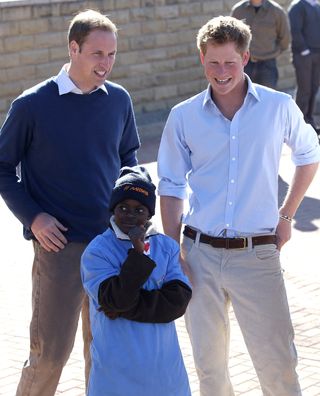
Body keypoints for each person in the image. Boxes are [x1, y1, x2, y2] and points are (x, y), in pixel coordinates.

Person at [157, 15, 320, 396]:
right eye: (213, 62)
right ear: (202, 59)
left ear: (246, 58)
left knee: (278, 366)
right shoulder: (183, 116)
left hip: (258, 254)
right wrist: (171, 245)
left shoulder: (277, 107)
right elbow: (169, 183)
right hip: (198, 256)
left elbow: (309, 155)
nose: (222, 71)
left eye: (230, 62)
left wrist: (286, 214)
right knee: (210, 371)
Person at [0, 9, 140, 396]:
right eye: (97, 54)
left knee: (105, 351)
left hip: (111, 246)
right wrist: (34, 217)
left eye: (112, 54)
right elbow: (2, 168)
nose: (106, 64)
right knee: (49, 355)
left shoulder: (118, 100)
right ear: (73, 48)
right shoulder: (32, 105)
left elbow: (129, 157)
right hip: (60, 249)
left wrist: (133, 206)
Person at [81, 165, 192, 396]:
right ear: (113, 210)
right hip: (115, 375)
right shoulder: (97, 251)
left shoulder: (167, 247)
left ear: (149, 214)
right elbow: (115, 298)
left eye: (139, 209)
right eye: (123, 207)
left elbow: (178, 301)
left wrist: (120, 309)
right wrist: (138, 253)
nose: (130, 215)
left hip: (164, 374)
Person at [231, 0, 290, 89]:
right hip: (244, 64)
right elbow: (231, 36)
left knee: (267, 98)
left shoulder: (276, 11)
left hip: (267, 65)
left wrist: (273, 52)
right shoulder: (238, 10)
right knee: (243, 97)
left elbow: (285, 38)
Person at [288, 0, 320, 134]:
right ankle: (299, 123)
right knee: (304, 89)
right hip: (303, 55)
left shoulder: (316, 6)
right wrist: (304, 50)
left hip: (317, 53)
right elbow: (294, 30)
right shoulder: (297, 6)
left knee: (314, 87)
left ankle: (309, 119)